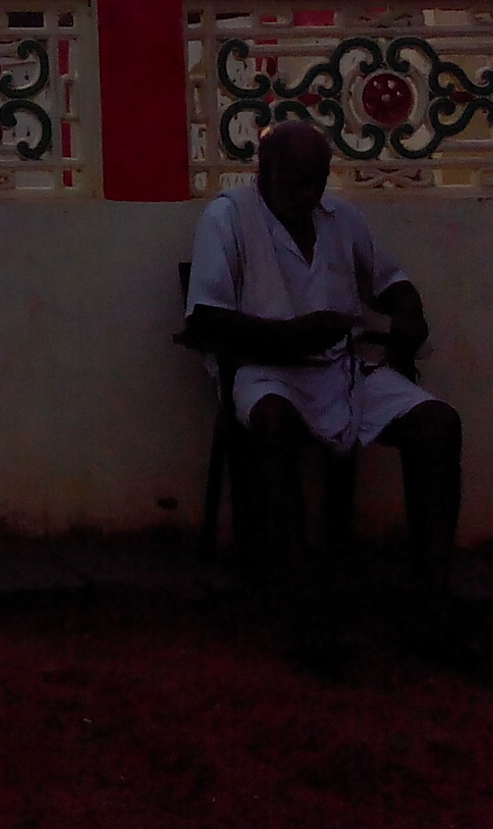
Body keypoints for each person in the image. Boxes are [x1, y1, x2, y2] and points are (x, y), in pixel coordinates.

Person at [183, 118, 467, 650]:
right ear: (263, 170)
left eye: (317, 179)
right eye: (297, 180)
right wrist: (292, 335)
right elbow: (203, 321)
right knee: (274, 422)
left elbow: (390, 281)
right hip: (264, 371)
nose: (308, 193)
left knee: (438, 424)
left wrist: (407, 312)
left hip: (343, 370)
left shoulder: (340, 217)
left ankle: (432, 599)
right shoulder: (228, 217)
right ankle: (300, 600)